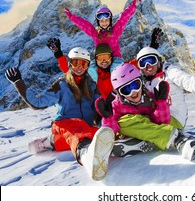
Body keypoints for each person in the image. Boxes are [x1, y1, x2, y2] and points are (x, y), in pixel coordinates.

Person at [5, 47, 115, 181]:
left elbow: (98, 107)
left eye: (83, 64)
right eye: (75, 63)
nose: (79, 68)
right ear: (69, 64)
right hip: (63, 123)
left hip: (83, 128)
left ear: (87, 66)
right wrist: (18, 82)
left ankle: (50, 142)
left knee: (92, 133)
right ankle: (86, 156)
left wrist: (105, 112)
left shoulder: (91, 86)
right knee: (79, 129)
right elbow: (37, 103)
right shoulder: (62, 85)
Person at [95, 63, 195, 161]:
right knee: (122, 122)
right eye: (126, 90)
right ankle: (151, 140)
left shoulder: (150, 98)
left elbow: (162, 123)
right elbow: (111, 132)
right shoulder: (116, 106)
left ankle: (176, 139)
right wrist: (108, 118)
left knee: (138, 121)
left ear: (141, 83)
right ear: (119, 94)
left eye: (135, 85)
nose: (133, 92)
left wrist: (161, 103)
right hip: (137, 130)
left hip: (155, 128)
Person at [64, 0, 142, 59]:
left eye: (106, 20)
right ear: (98, 22)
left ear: (110, 21)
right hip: (100, 60)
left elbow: (124, 17)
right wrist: (72, 17)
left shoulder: (115, 30)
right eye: (101, 21)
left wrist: (133, 5)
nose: (104, 23)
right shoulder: (95, 33)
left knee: (116, 67)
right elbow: (84, 24)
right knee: (91, 68)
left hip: (114, 59)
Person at [46, 38, 122, 99]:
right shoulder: (91, 72)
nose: (104, 61)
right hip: (100, 105)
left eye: (106, 57)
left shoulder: (118, 70)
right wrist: (59, 55)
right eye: (100, 58)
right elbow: (70, 70)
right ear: (96, 59)